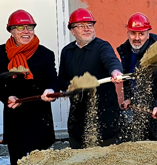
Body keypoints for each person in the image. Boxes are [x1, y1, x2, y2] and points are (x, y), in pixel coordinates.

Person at [47, 8, 125, 148]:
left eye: (90, 25)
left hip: (104, 114)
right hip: (78, 115)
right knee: (79, 155)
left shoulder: (102, 46)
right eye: (81, 26)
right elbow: (62, 78)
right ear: (72, 30)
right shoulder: (67, 51)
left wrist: (115, 72)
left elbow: (111, 61)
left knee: (106, 157)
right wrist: (55, 89)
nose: (87, 29)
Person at [0, 10, 59, 165]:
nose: (26, 32)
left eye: (30, 27)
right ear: (11, 31)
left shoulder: (45, 54)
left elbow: (53, 80)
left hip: (39, 114)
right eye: (20, 28)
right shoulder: (1, 53)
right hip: (15, 114)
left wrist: (51, 90)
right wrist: (7, 97)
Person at [117, 12, 157, 141]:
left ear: (148, 33)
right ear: (128, 32)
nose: (137, 38)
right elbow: (129, 78)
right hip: (139, 110)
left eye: (141, 34)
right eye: (133, 33)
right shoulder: (127, 51)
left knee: (156, 151)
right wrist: (129, 98)